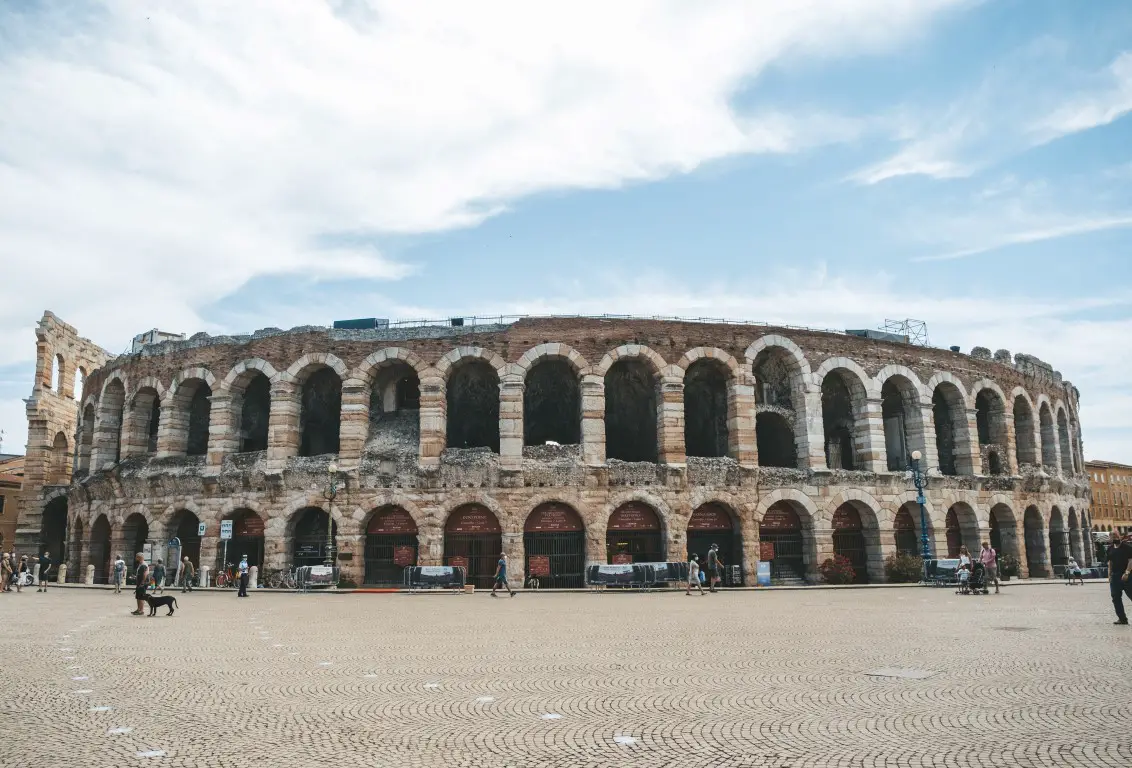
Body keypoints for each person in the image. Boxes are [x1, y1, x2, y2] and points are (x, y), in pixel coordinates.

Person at [1106, 532, 1132, 625]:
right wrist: (1109, 575)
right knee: (1115, 597)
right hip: (1115, 576)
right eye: (1112, 537)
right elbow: (1110, 562)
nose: (1114, 538)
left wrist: (1127, 572)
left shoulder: (1127, 547)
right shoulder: (1110, 549)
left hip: (1127, 576)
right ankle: (1122, 619)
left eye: (1115, 536)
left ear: (1119, 537)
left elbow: (1131, 560)